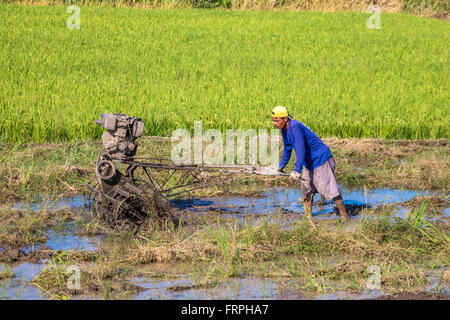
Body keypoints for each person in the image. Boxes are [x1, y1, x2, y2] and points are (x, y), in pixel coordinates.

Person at [271, 106, 348, 227]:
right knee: (307, 190)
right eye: (273, 120)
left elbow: (300, 149)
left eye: (277, 120)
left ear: (285, 119)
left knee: (330, 190)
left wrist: (297, 170)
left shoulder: (295, 126)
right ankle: (309, 219)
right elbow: (287, 149)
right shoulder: (283, 130)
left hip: (320, 159)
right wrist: (280, 167)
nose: (275, 123)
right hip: (308, 162)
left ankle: (345, 217)